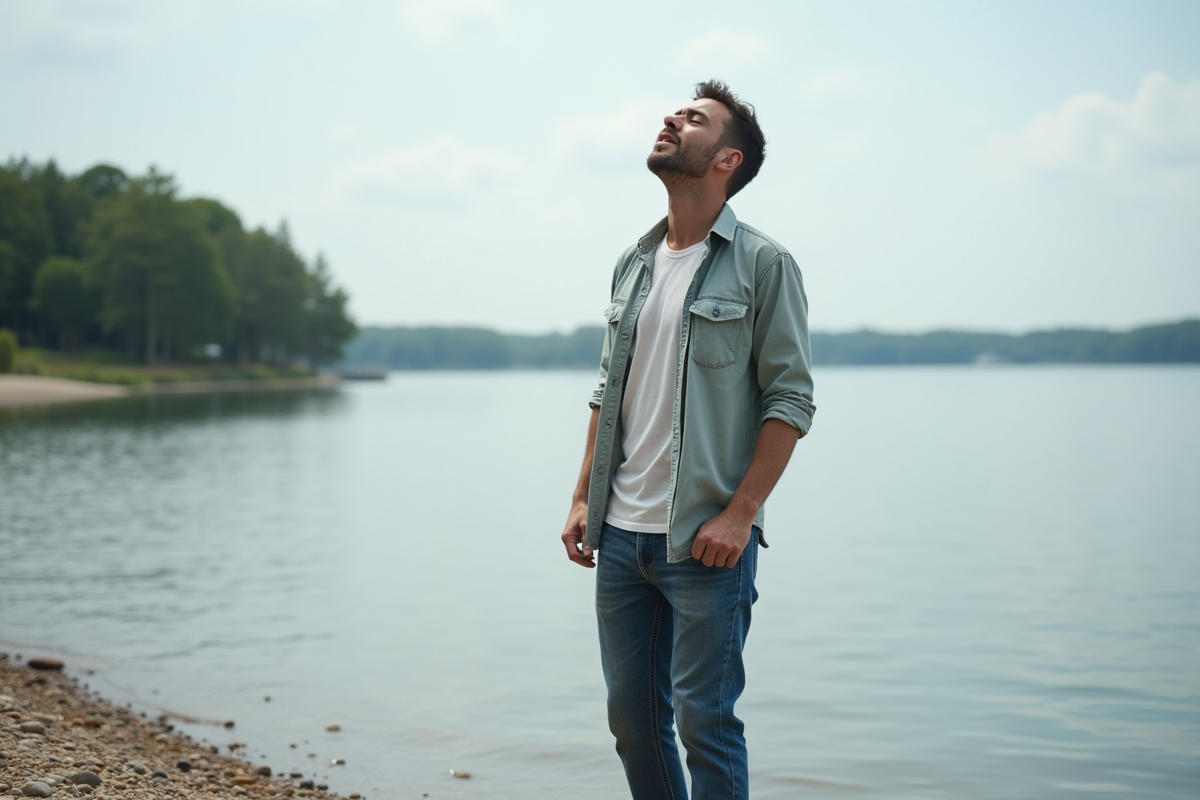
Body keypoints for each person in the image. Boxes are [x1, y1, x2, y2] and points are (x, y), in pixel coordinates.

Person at [559, 79, 816, 800]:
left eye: (694, 118)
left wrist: (740, 515)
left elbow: (791, 399)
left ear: (727, 160)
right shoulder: (633, 263)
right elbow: (608, 391)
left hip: (705, 543)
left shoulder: (765, 265)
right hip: (620, 537)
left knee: (707, 725)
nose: (672, 118)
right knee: (633, 724)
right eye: (674, 112)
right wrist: (582, 497)